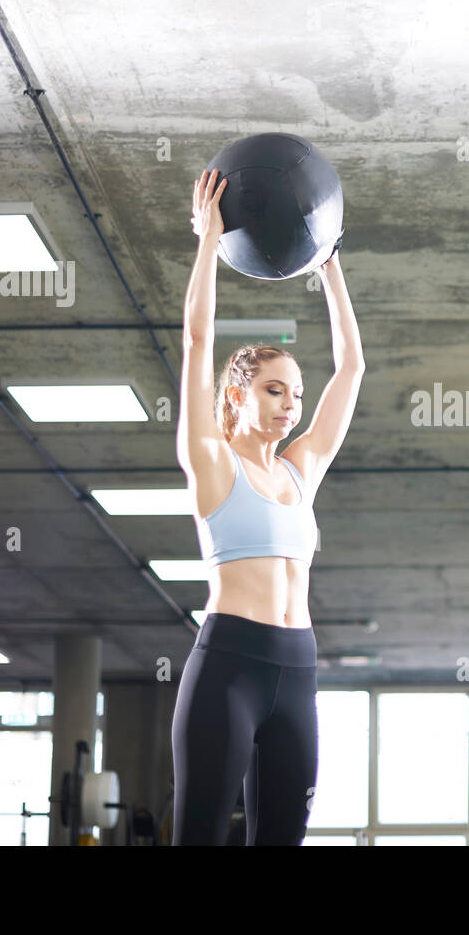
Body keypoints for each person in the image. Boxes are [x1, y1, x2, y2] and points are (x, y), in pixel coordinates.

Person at [171, 168, 364, 845]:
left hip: (299, 667)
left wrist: (329, 261)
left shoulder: (300, 470)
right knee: (199, 835)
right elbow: (198, 343)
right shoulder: (212, 462)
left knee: (282, 838)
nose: (292, 406)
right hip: (229, 666)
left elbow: (353, 369)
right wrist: (208, 242)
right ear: (237, 395)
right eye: (277, 391)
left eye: (297, 396)